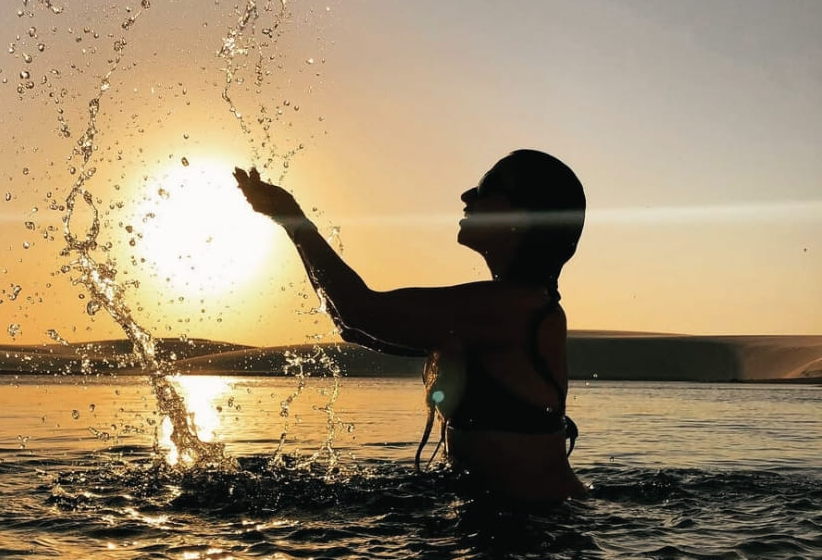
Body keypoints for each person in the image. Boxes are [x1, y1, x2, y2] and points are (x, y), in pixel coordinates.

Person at [233, 149, 588, 503]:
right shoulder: (515, 306)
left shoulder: (511, 307)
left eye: (487, 187)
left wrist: (294, 220)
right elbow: (352, 327)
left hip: (537, 532)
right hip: (518, 525)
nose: (467, 196)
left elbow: (360, 311)